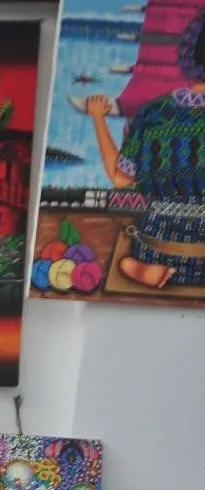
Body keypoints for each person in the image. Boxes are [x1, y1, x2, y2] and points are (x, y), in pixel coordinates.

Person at [84, 10, 205, 288]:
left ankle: (142, 267)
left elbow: (119, 178)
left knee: (130, 256)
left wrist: (98, 118)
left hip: (157, 244)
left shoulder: (155, 112)